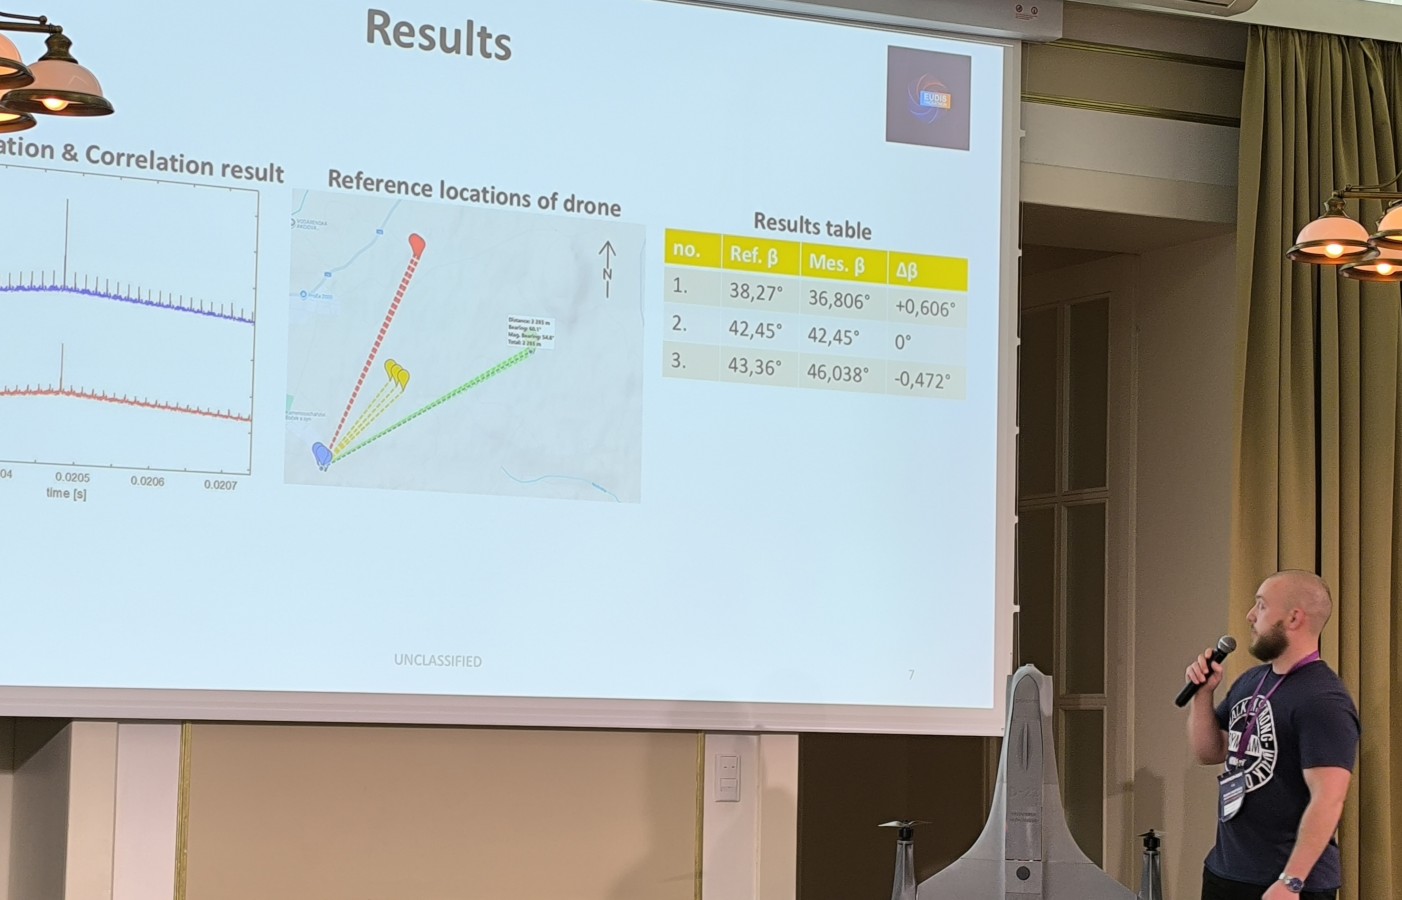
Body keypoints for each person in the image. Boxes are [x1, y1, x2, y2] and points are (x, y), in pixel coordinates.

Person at [1183, 570, 1360, 900]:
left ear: (1294, 618)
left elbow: (1328, 798)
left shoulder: (1324, 700)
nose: (1250, 615)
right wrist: (1203, 695)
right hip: (1227, 871)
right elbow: (1210, 752)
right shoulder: (1252, 681)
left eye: (1262, 606)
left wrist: (1291, 882)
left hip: (1286, 882)